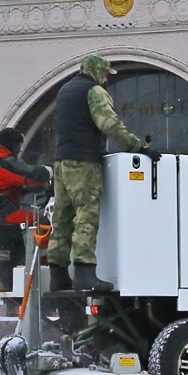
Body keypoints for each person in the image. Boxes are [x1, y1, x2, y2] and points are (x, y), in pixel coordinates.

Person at [45, 54, 143, 292]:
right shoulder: (94, 91)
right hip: (84, 160)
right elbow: (108, 123)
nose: (106, 79)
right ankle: (84, 273)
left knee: (62, 217)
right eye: (106, 75)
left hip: (61, 161)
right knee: (86, 213)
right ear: (99, 72)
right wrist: (136, 146)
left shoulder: (65, 90)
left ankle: (58, 276)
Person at [0, 128, 51, 226]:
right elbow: (34, 176)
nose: (21, 149)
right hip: (1, 212)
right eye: (20, 145)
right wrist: (51, 170)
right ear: (14, 145)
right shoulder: (8, 162)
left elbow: (1, 184)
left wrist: (26, 189)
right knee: (41, 221)